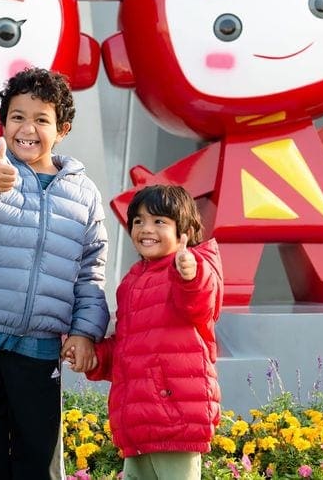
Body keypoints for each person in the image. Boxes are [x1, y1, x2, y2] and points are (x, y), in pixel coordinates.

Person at [0, 67, 110, 479]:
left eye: (42, 119)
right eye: (17, 117)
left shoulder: (83, 193)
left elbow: (91, 270)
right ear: (3, 123)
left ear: (62, 129)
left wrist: (84, 331)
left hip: (38, 346)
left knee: (38, 459)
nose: (28, 128)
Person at [78, 184, 223, 480]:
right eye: (139, 221)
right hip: (138, 423)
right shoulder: (132, 281)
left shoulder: (193, 267)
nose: (146, 229)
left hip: (175, 418)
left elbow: (201, 300)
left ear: (185, 231)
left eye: (159, 221)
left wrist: (190, 271)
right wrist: (96, 357)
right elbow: (127, 347)